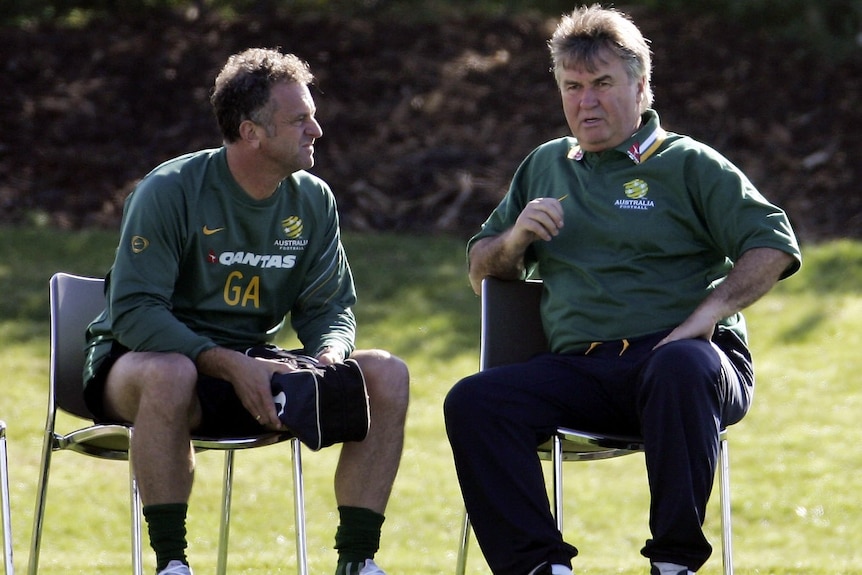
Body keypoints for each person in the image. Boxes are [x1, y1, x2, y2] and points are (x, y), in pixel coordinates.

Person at [444, 5, 801, 575]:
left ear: (640, 86)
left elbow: (774, 244)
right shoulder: (545, 165)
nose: (587, 101)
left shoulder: (689, 163)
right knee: (474, 401)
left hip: (687, 363)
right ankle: (541, 567)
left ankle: (673, 563)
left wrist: (709, 313)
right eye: (573, 86)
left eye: (603, 83)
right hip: (584, 369)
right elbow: (481, 271)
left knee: (679, 367)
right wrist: (514, 241)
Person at [82, 48, 409, 575]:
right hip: (143, 362)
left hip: (253, 366)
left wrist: (328, 355)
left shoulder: (313, 199)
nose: (317, 130)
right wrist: (227, 362)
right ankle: (172, 563)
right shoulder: (169, 190)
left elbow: (330, 306)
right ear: (251, 132)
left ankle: (357, 561)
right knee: (172, 372)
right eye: (299, 119)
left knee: (386, 373)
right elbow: (135, 313)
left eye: (313, 115)